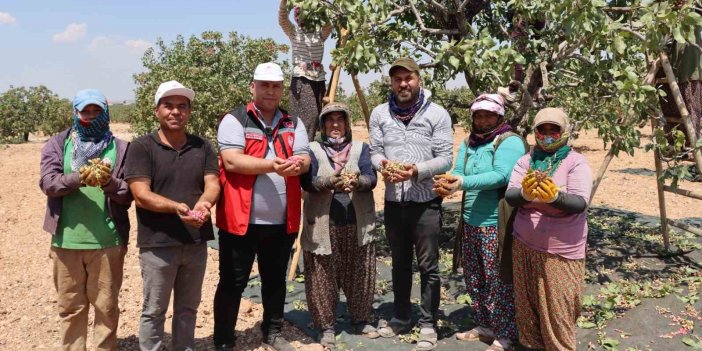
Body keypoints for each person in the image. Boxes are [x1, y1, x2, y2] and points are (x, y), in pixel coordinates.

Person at [213, 62, 311, 351]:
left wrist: (299, 164)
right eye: (265, 85)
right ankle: (223, 340)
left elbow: (304, 156)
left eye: (276, 86)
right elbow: (231, 160)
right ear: (252, 87)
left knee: (275, 280)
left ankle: (273, 331)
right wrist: (274, 165)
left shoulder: (293, 122)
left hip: (282, 221)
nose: (270, 90)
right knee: (233, 282)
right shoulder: (235, 119)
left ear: (282, 89)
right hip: (240, 219)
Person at [125, 80, 220, 351]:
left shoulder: (203, 147)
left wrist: (204, 204)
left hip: (195, 243)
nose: (175, 112)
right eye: (168, 106)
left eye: (182, 106)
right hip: (158, 244)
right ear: (156, 111)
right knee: (154, 310)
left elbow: (213, 183)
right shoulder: (142, 147)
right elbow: (141, 194)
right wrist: (177, 208)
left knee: (188, 309)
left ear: (189, 112)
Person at [369, 57, 453, 351]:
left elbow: (446, 157)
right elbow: (375, 152)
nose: (403, 84)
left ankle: (428, 323)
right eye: (397, 79)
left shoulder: (437, 114)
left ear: (419, 80)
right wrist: (384, 165)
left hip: (425, 202)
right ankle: (402, 316)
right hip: (394, 203)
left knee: (429, 266)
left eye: (408, 78)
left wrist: (417, 170)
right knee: (400, 263)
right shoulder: (380, 114)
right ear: (391, 83)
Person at [39, 89, 131, 351]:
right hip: (66, 240)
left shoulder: (121, 148)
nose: (90, 116)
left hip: (108, 240)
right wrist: (79, 177)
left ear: (106, 113)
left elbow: (129, 194)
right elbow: (48, 183)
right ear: (76, 113)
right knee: (70, 308)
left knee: (106, 308)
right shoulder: (58, 144)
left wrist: (109, 182)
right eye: (85, 111)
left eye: (96, 111)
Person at [434, 94, 526, 351]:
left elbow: (501, 176)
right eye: (479, 115)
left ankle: (506, 333)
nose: (483, 120)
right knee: (475, 278)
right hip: (470, 220)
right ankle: (485, 324)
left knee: (499, 280)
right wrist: (448, 181)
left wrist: (461, 184)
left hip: (495, 223)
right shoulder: (469, 142)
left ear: (499, 116)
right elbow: (460, 172)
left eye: (488, 115)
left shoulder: (509, 141)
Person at [504, 108, 592, 351]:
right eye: (542, 130)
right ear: (535, 132)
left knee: (558, 311)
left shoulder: (576, 162)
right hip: (525, 243)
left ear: (565, 131)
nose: (548, 134)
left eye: (554, 129)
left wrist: (554, 196)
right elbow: (511, 195)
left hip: (561, 251)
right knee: (528, 306)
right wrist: (525, 193)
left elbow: (579, 203)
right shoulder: (526, 160)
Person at [300, 102, 378, 348]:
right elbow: (307, 182)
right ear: (323, 126)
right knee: (321, 275)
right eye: (329, 120)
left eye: (340, 120)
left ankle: (361, 319)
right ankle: (326, 326)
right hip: (324, 223)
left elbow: (371, 177)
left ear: (346, 123)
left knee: (360, 272)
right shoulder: (312, 150)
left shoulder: (360, 148)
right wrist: (327, 182)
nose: (335, 125)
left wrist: (358, 182)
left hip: (357, 222)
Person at [279, 0, 333, 141]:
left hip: (319, 78)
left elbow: (328, 25)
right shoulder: (294, 32)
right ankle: (303, 147)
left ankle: (310, 147)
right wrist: (284, 4)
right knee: (309, 115)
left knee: (318, 115)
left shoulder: (319, 34)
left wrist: (320, 8)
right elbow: (283, 20)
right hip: (302, 78)